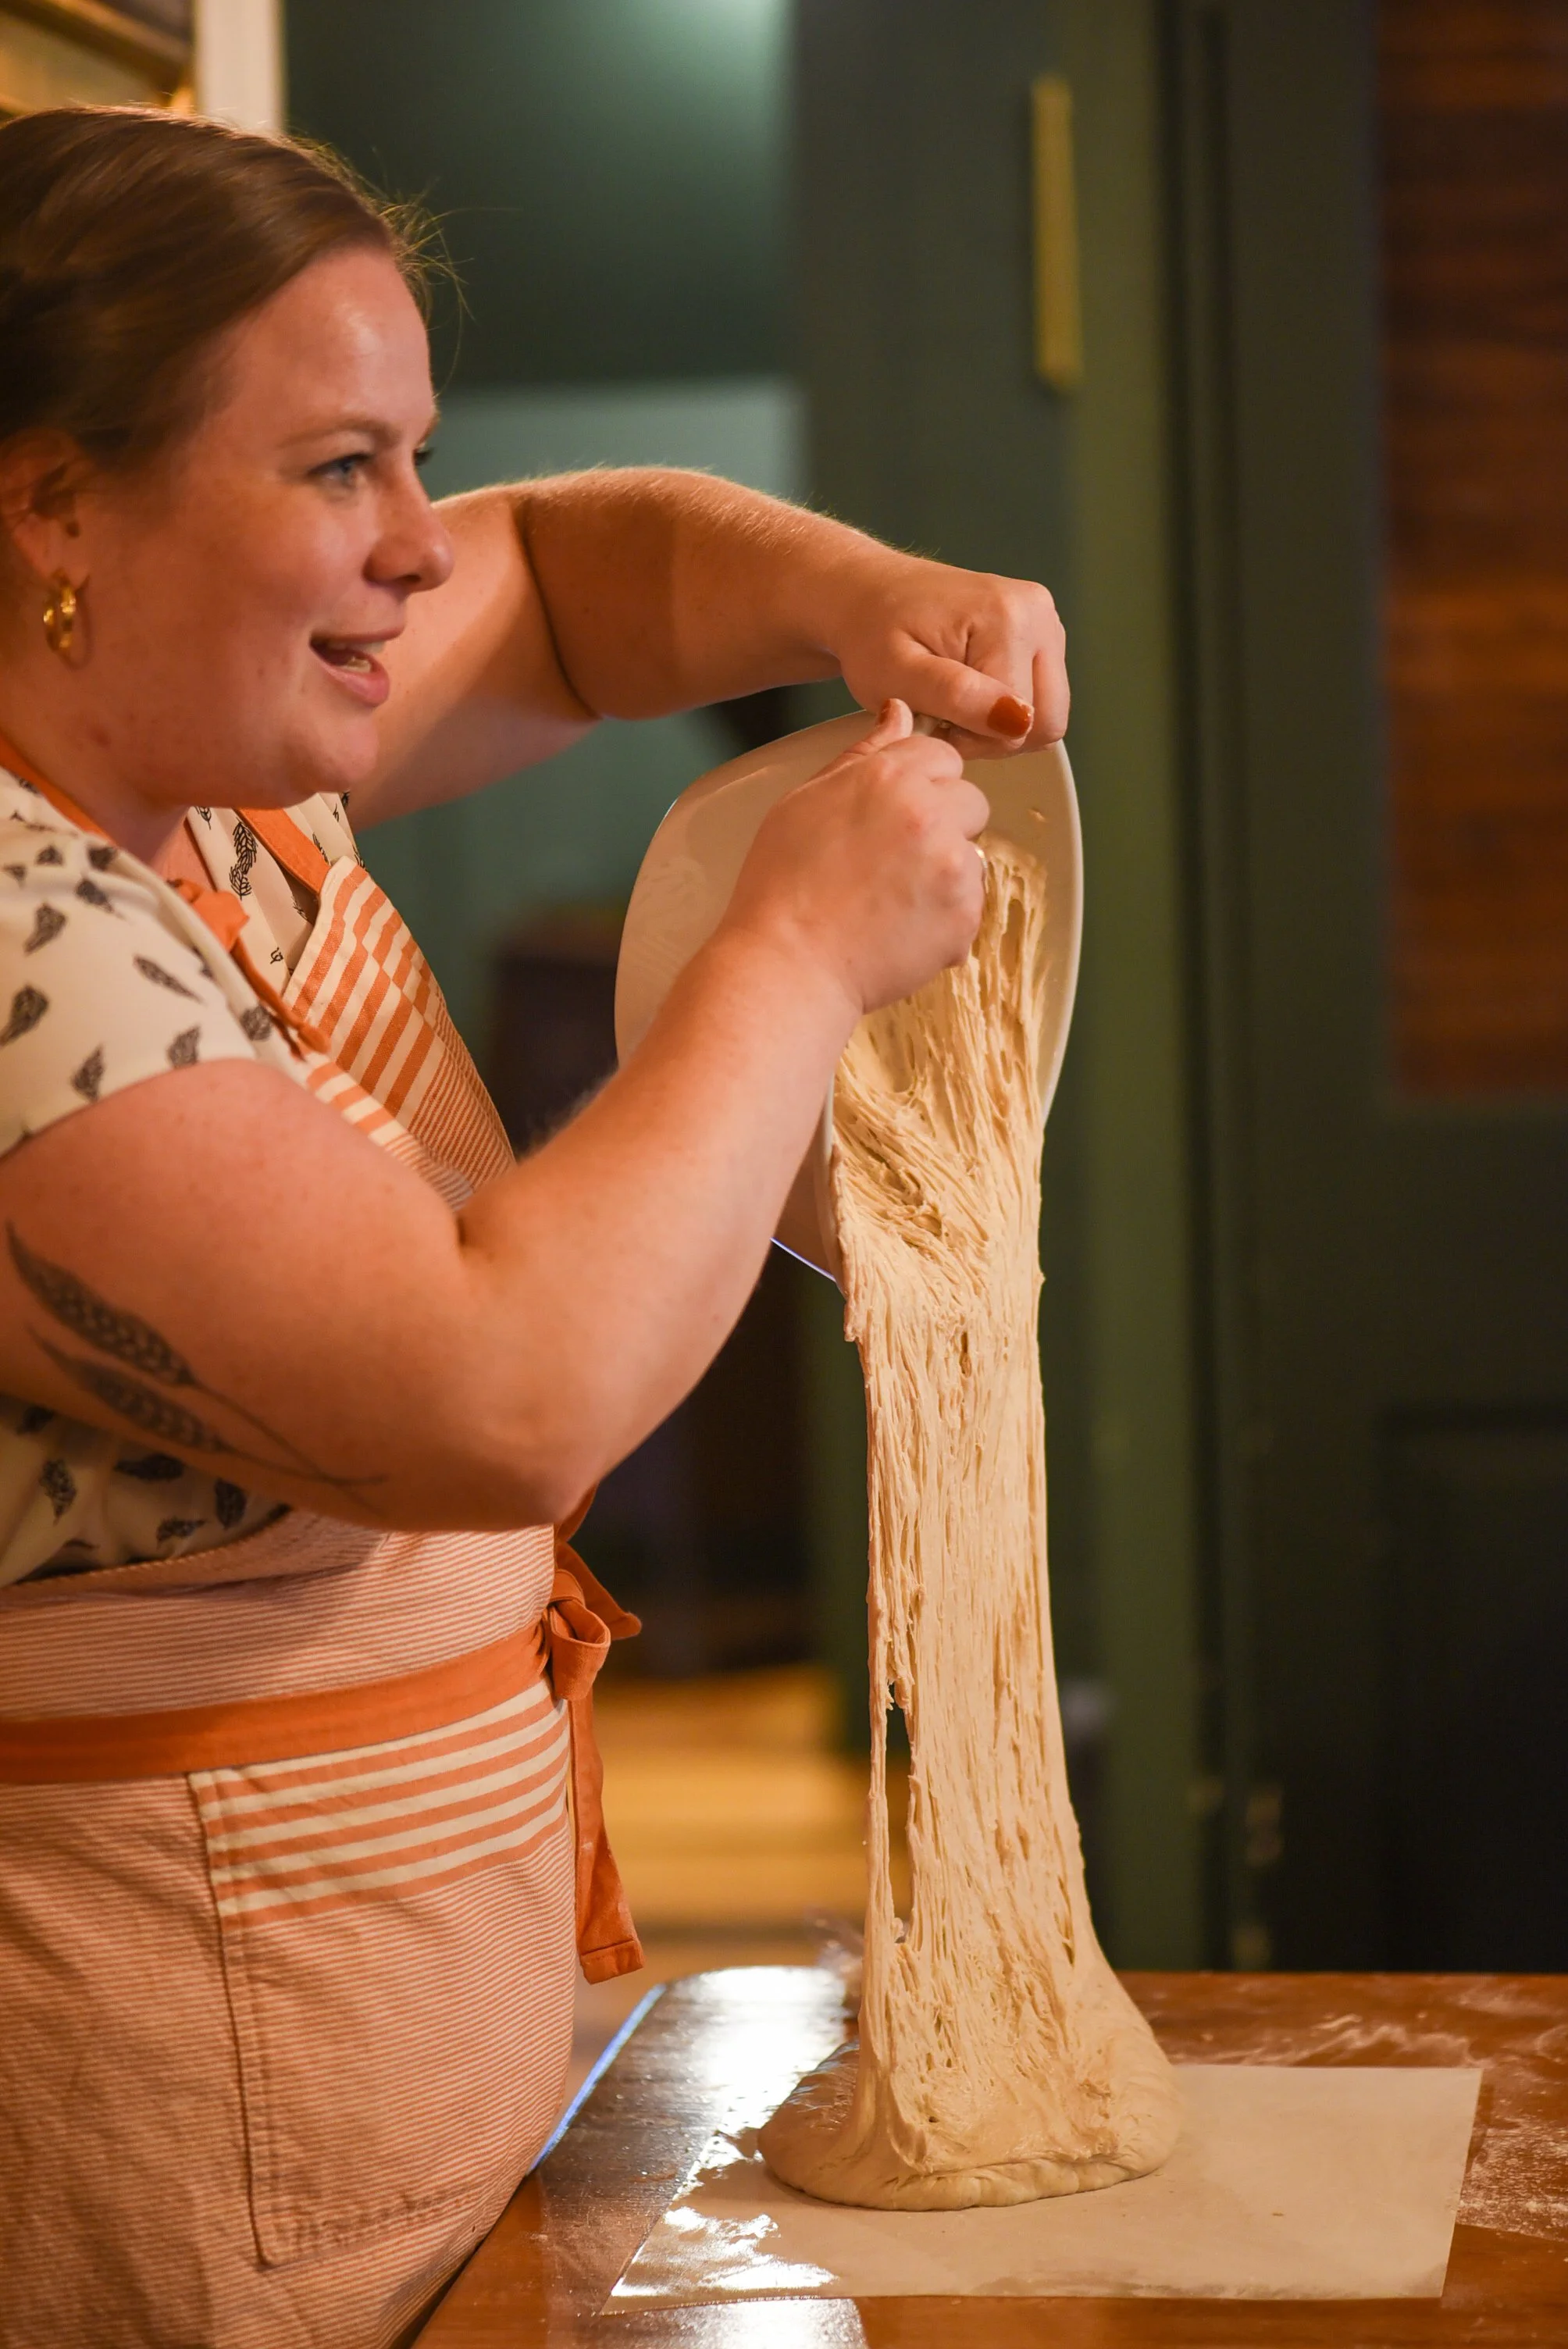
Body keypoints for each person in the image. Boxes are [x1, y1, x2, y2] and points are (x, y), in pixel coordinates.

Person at [0, 106, 1069, 2347]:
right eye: (336, 470)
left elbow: (572, 582)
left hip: (372, 2028)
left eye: (416, 457)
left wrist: (849, 596)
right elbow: (497, 1397)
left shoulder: (205, 777)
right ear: (54, 503)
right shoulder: (25, 933)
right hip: (181, 2107)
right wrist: (789, 954)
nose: (414, 548)